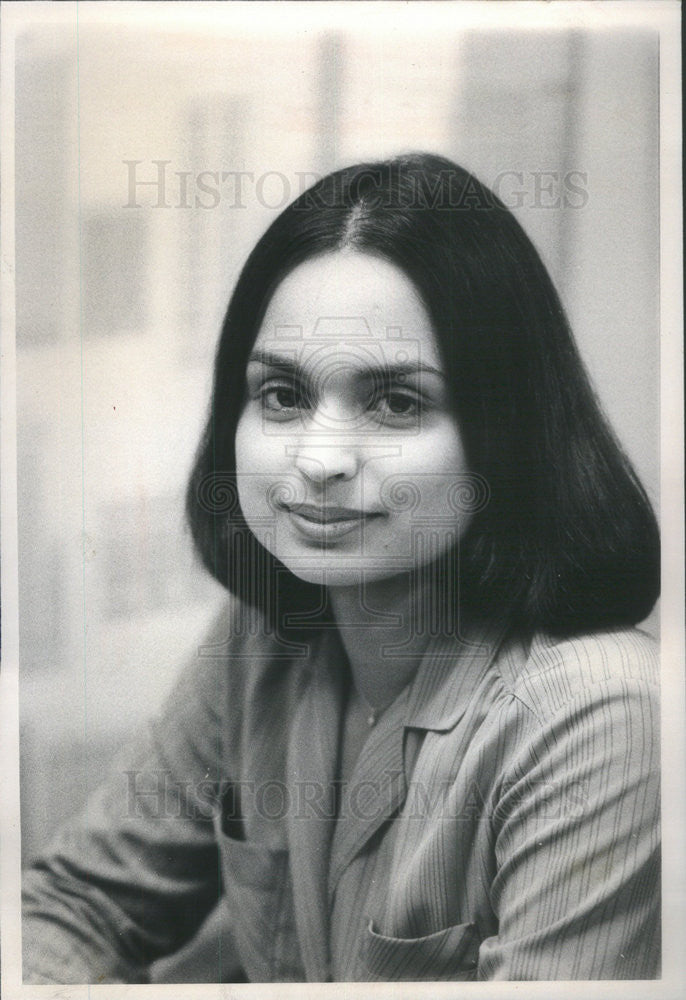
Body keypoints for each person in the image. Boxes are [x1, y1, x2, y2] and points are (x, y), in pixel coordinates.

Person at [22, 153, 660, 982]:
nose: (319, 460)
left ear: (505, 430)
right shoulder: (265, 631)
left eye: (398, 402)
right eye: (282, 395)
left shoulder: (603, 716)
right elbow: (78, 904)